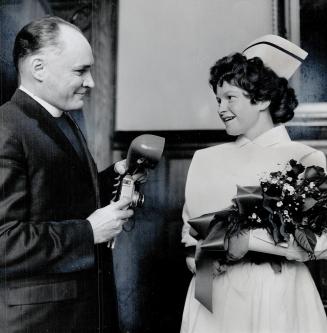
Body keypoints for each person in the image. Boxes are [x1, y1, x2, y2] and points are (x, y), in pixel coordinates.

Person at [180, 35, 327, 333]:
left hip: (275, 294)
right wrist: (195, 255)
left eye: (230, 98)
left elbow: (322, 242)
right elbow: (190, 230)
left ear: (262, 100)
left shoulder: (303, 158)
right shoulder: (206, 159)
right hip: (213, 296)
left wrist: (251, 242)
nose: (221, 108)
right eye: (218, 99)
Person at [0, 16, 135, 332]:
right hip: (38, 322)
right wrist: (88, 233)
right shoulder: (6, 128)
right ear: (38, 69)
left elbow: (56, 198)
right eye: (80, 71)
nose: (91, 82)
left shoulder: (61, 119)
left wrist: (113, 175)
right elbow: (4, 239)